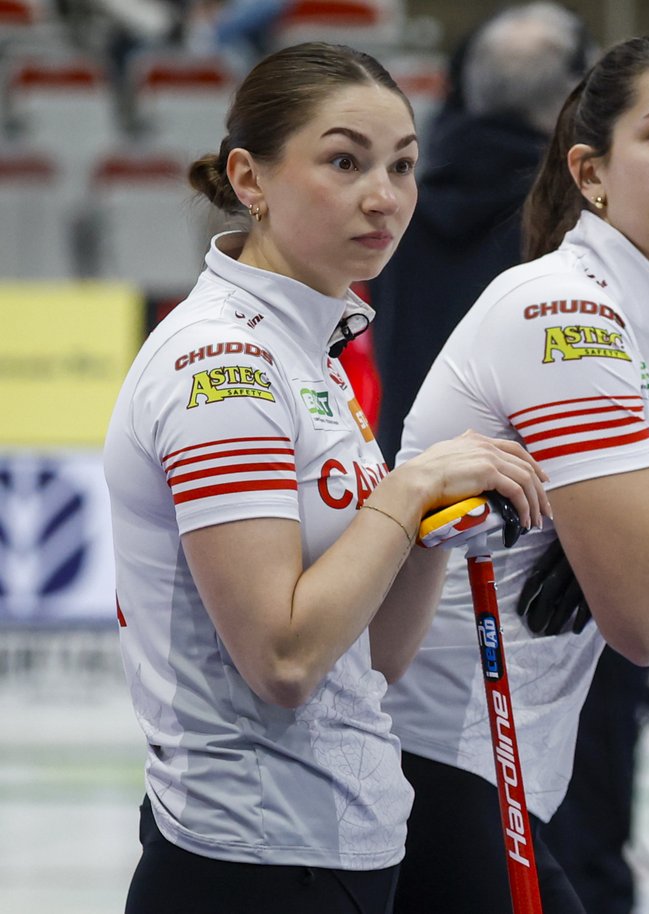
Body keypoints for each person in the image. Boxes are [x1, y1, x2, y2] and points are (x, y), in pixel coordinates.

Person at [103, 42, 549, 914]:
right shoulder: (223, 365)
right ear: (251, 177)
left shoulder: (311, 349)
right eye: (344, 161)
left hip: (340, 846)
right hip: (250, 865)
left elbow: (369, 658)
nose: (384, 196)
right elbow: (283, 657)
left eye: (404, 166)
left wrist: (429, 534)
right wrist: (406, 491)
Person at [379, 32, 649, 914]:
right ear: (591, 172)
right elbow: (648, 614)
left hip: (508, 763)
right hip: (424, 759)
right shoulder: (566, 311)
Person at [368, 1, 593, 467]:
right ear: (574, 100)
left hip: (407, 490)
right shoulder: (575, 216)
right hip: (530, 502)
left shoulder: (393, 204)